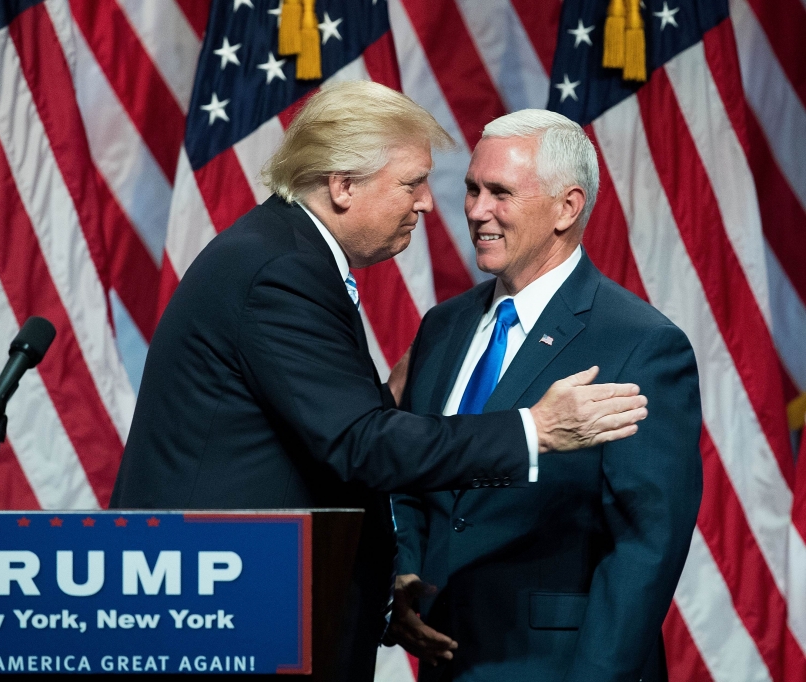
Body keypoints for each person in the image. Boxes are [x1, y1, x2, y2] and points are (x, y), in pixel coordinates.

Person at [110, 83, 649, 681]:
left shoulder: (286, 253)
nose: (431, 204)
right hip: (229, 614)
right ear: (343, 185)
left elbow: (322, 429)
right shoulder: (282, 272)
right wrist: (534, 429)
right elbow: (360, 444)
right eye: (412, 183)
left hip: (254, 605)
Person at [387, 109, 702, 682]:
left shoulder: (640, 344)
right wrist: (404, 574)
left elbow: (646, 544)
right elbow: (411, 468)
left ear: (568, 206)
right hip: (445, 660)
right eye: (473, 189)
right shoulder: (443, 326)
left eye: (500, 193)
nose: (477, 210)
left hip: (559, 666)